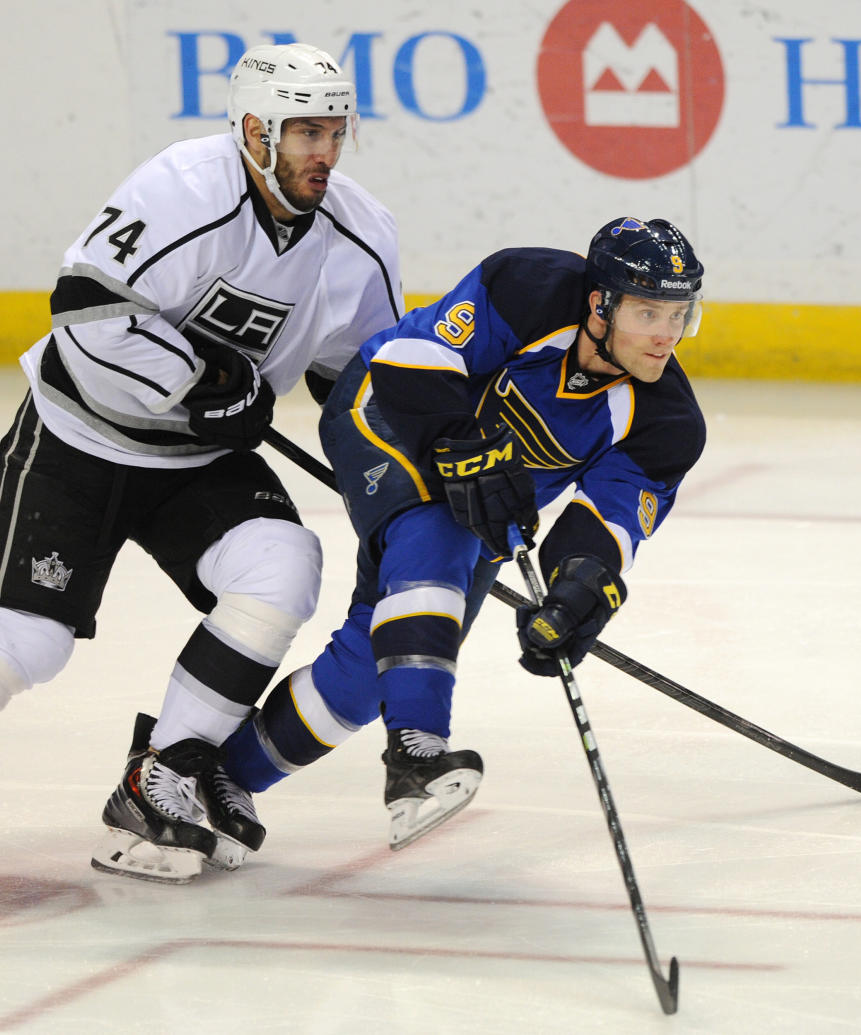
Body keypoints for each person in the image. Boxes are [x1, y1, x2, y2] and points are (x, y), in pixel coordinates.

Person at [0, 42, 402, 883]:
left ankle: (166, 773)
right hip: (81, 436)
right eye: (305, 133)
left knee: (282, 563)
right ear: (255, 131)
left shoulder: (360, 237)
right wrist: (193, 386)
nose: (324, 153)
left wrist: (411, 480)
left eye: (336, 131)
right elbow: (84, 310)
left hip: (200, 461)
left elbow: (356, 379)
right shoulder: (181, 188)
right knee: (28, 641)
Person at [220, 216, 707, 850]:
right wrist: (461, 441)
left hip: (477, 503)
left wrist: (575, 595)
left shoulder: (666, 423)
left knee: (378, 665)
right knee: (440, 534)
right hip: (382, 414)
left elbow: (605, 528)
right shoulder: (527, 285)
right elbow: (412, 360)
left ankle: (217, 775)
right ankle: (418, 757)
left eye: (679, 315)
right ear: (600, 304)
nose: (666, 335)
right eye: (648, 313)